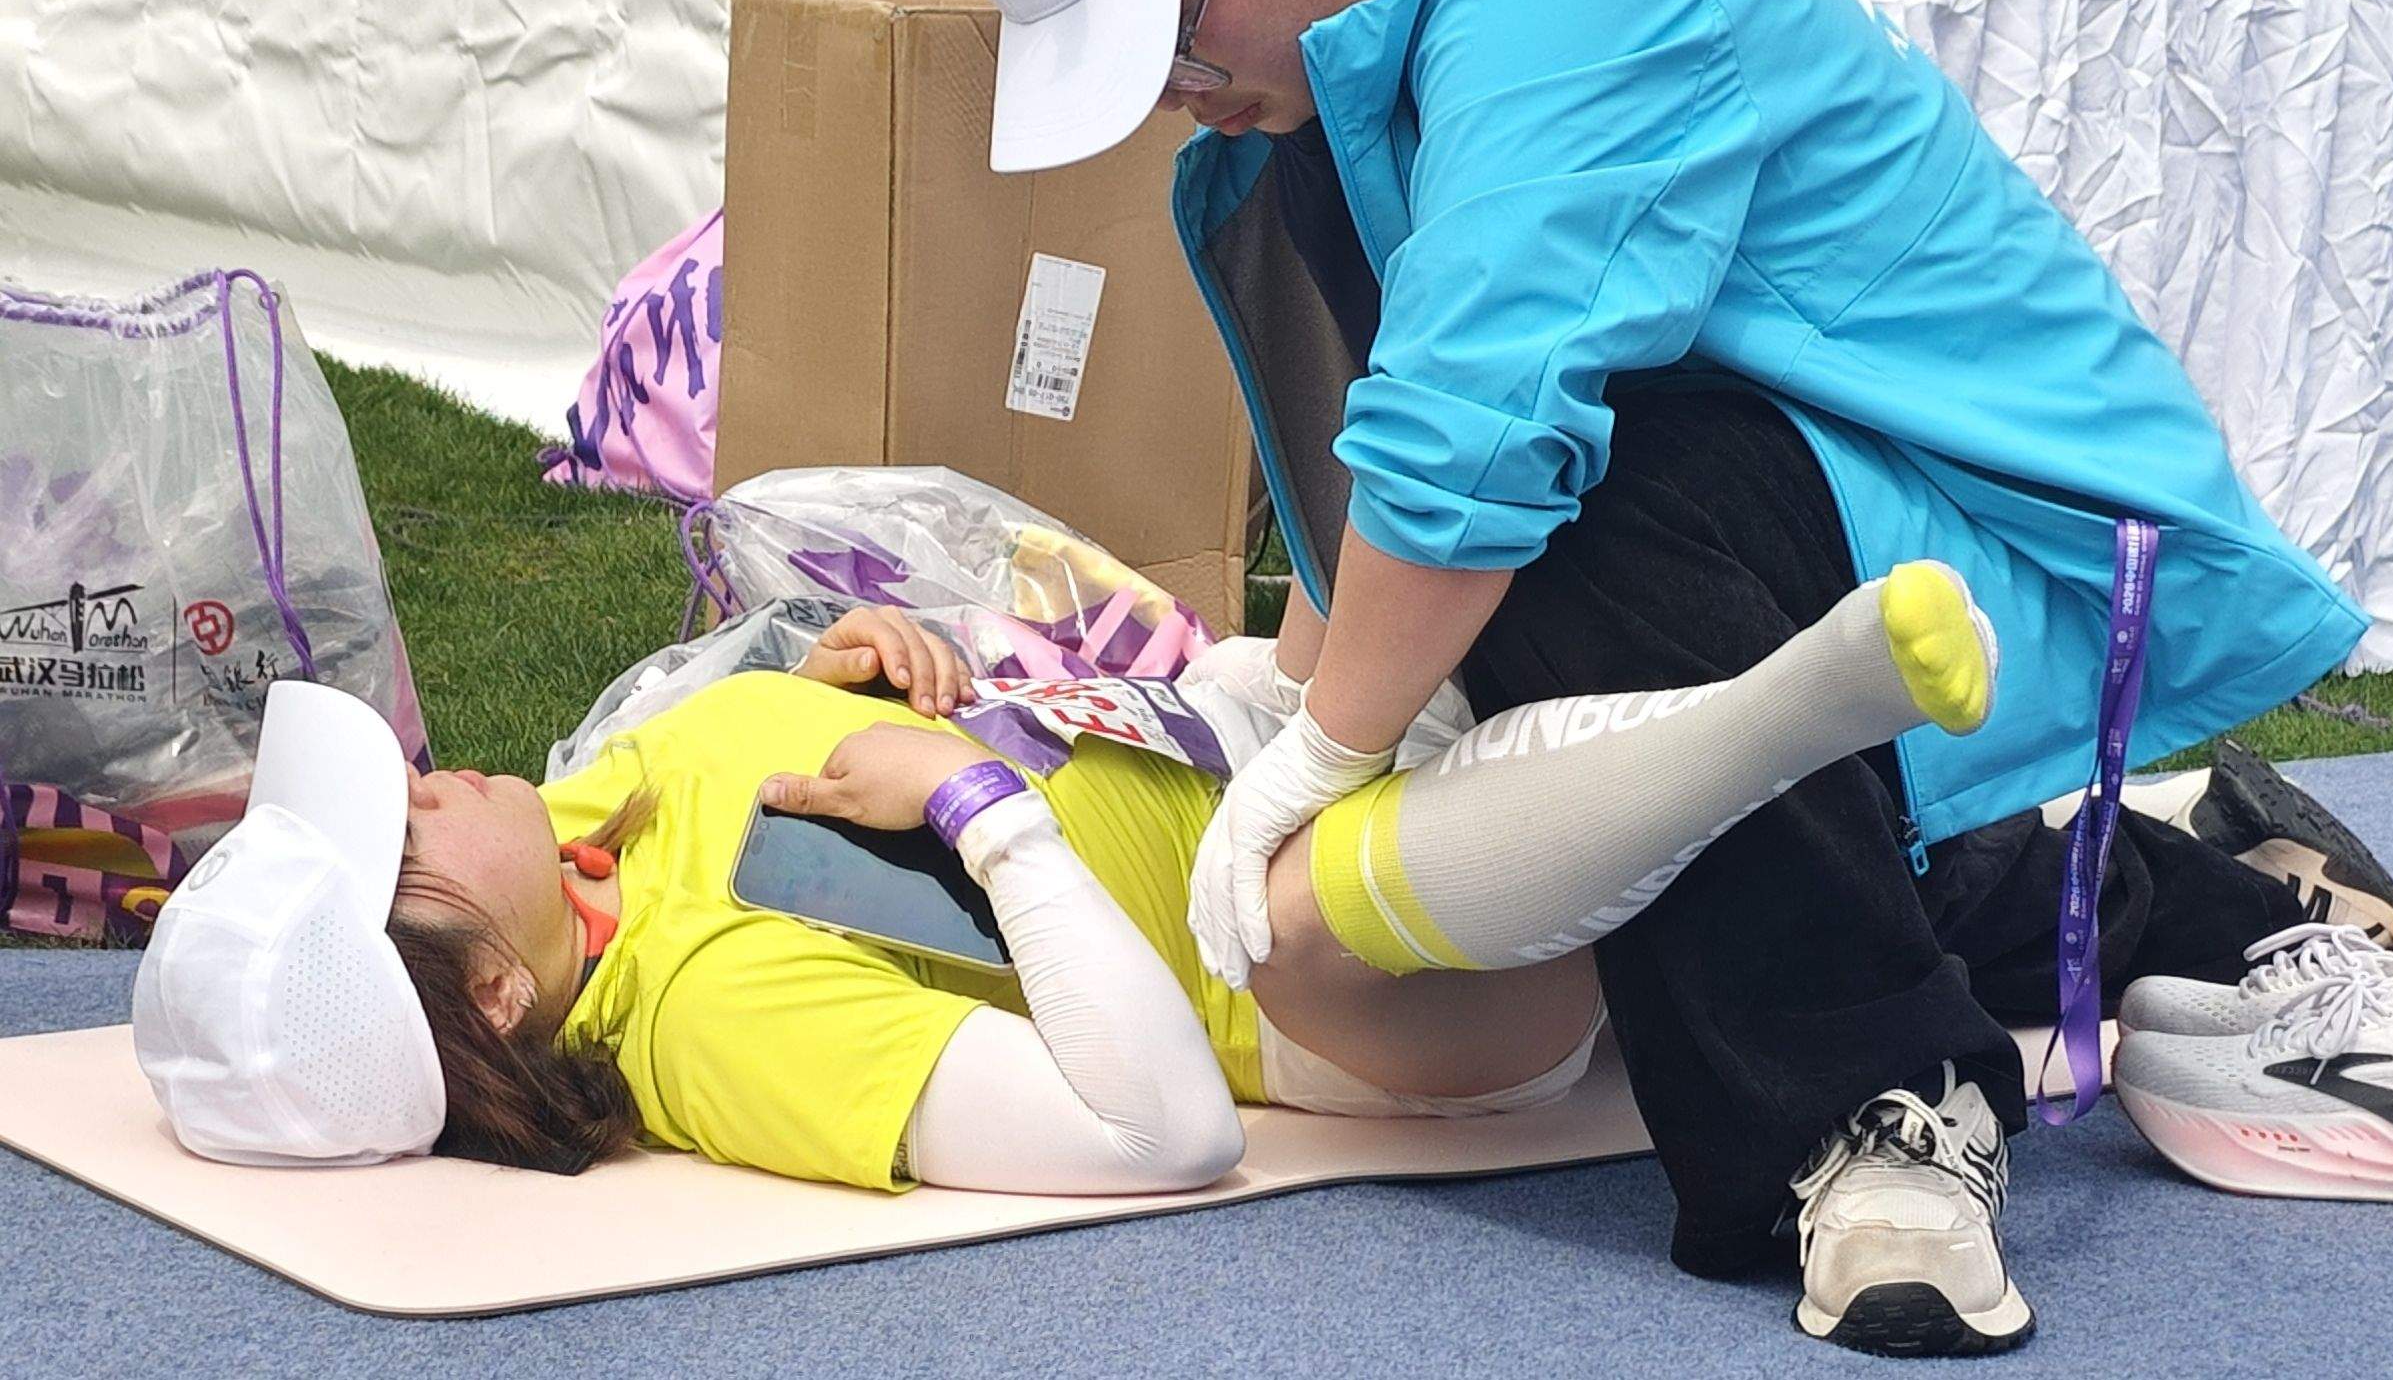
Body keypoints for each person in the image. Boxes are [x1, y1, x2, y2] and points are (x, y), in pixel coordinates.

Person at [891, 0, 2369, 1352]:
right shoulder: (1359, 37)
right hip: (1816, 549)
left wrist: (1326, 748)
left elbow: (1477, 435)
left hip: (1996, 546)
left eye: (1166, 34)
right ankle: (2196, 914)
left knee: (1558, 532)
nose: (1168, 95)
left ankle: (1876, 1097)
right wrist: (1280, 696)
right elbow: (1404, 455)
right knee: (1546, 678)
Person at [133, 571, 2022, 1198]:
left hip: (1225, 734)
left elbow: (815, 708)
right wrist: (973, 806)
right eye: (405, 832)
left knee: (1362, 428)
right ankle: (1793, 713)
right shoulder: (712, 1014)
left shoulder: (582, 811)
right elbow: (1158, 1130)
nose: (429, 776)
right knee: (1295, 908)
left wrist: (865, 661)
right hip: (1337, 977)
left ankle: (1867, 785)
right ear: (488, 995)